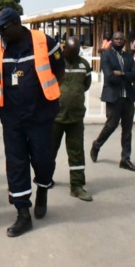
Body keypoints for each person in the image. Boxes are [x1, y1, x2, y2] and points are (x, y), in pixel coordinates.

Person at [0, 8, 65, 237]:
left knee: (43, 160)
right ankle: (23, 213)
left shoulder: (44, 41)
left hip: (41, 116)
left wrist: (41, 96)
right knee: (16, 164)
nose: (1, 32)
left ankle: (42, 188)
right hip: (12, 118)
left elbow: (59, 70)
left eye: (4, 28)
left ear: (17, 23)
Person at [89, 31, 135, 172]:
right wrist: (127, 77)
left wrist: (122, 73)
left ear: (124, 41)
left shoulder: (128, 56)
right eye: (116, 39)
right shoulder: (106, 55)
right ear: (112, 40)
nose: (118, 41)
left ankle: (125, 159)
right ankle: (96, 145)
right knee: (111, 125)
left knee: (127, 130)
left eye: (121, 39)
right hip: (113, 97)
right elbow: (109, 77)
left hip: (128, 97)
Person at [52, 36, 93, 201]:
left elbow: (86, 85)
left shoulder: (84, 65)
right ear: (64, 49)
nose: (74, 56)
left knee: (76, 152)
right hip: (56, 116)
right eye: (71, 52)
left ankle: (76, 186)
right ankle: (45, 179)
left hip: (76, 116)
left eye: (77, 52)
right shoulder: (56, 63)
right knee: (49, 151)